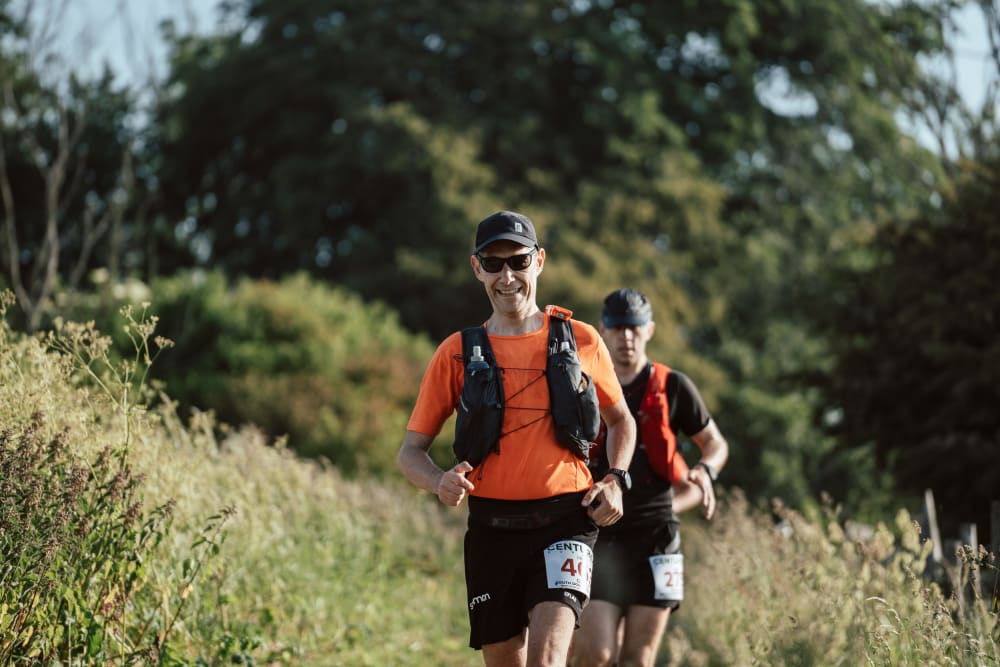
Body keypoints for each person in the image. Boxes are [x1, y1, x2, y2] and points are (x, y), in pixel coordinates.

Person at [397, 211, 637, 667]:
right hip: (491, 529)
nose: (507, 277)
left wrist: (616, 479)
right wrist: (438, 481)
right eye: (493, 264)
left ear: (539, 261)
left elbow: (621, 421)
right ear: (477, 269)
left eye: (519, 262)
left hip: (566, 522)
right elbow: (410, 452)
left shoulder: (582, 339)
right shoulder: (456, 352)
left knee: (546, 661)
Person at [572, 288, 730, 667]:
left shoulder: (673, 386)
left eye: (635, 328)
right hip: (599, 535)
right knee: (596, 654)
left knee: (638, 659)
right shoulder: (582, 383)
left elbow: (715, 443)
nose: (626, 336)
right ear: (602, 330)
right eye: (618, 327)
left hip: (658, 537)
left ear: (650, 330)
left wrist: (705, 469)